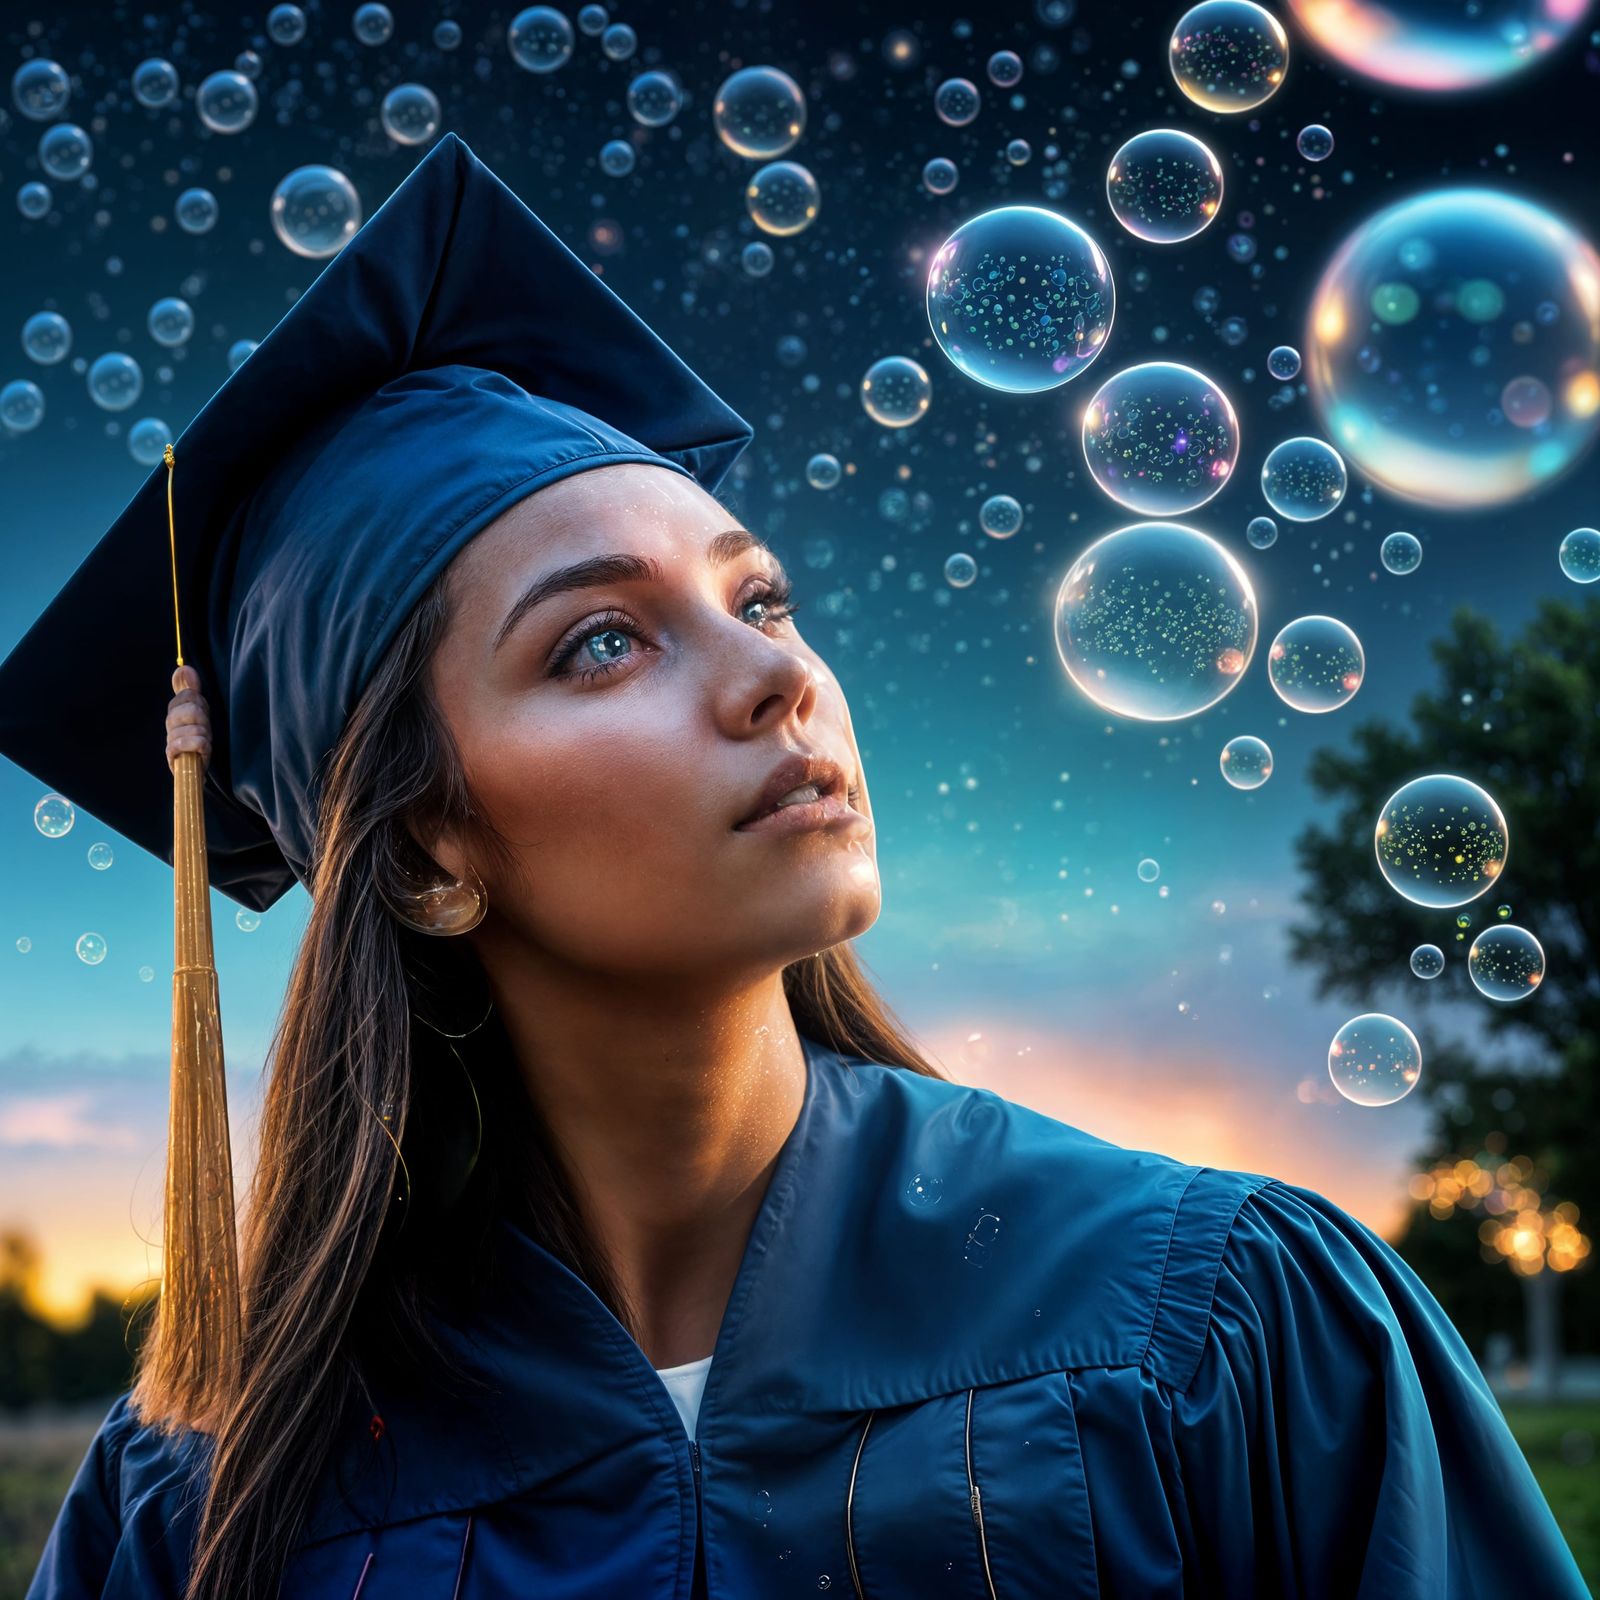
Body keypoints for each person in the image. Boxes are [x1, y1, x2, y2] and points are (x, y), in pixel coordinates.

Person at [7, 133, 1587, 1600]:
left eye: (758, 602)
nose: (782, 681)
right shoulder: (204, 1508)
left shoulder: (1222, 1323)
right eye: (602, 641)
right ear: (427, 849)